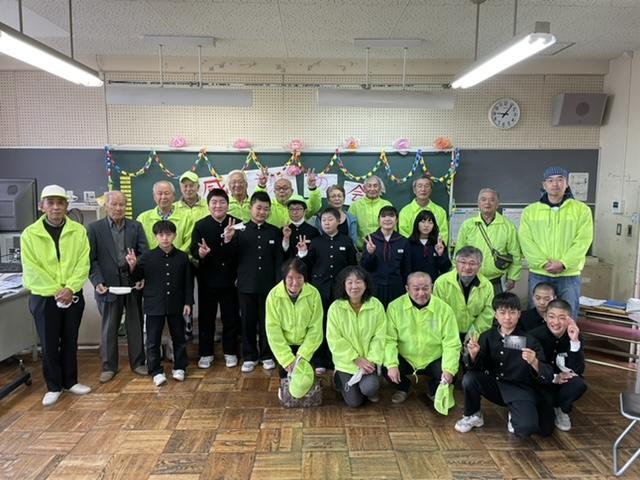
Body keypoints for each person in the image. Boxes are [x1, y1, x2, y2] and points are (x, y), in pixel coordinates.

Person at [21, 185, 91, 406]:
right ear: (41, 206)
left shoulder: (78, 231)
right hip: (44, 298)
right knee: (49, 343)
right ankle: (53, 386)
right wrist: (57, 291)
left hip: (73, 295)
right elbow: (32, 268)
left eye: (60, 203)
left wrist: (70, 288)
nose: (56, 207)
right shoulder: (30, 234)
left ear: (66, 206)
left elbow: (83, 263)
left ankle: (71, 382)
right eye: (50, 203)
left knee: (70, 340)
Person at [454, 292, 554, 438]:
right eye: (502, 313)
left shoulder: (529, 340)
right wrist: (473, 355)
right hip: (495, 386)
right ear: (495, 315)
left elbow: (548, 375)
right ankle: (473, 414)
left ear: (519, 314)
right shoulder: (487, 336)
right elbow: (476, 368)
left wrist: (534, 362)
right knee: (469, 378)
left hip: (520, 390)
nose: (507, 317)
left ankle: (514, 412)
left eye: (512, 313)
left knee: (526, 429)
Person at [87, 190, 148, 383]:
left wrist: (138, 271)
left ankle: (138, 363)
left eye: (122, 204)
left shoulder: (136, 226)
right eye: (114, 204)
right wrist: (97, 281)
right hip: (107, 284)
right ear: (106, 206)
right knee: (109, 326)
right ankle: (108, 367)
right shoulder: (94, 228)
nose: (118, 208)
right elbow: (91, 259)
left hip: (131, 281)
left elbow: (143, 254)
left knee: (135, 324)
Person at [519, 167, 593, 318]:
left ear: (567, 183)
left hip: (569, 274)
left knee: (567, 315)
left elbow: (583, 241)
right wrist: (542, 263)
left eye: (560, 179)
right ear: (544, 185)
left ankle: (567, 336)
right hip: (539, 273)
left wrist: (564, 263)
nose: (555, 184)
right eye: (550, 180)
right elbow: (526, 240)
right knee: (536, 316)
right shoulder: (530, 211)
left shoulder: (581, 210)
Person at [126, 220, 193, 386]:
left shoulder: (182, 257)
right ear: (155, 236)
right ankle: (155, 370)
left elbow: (188, 283)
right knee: (153, 340)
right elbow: (136, 278)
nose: (165, 238)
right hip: (154, 304)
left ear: (174, 236)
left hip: (176, 303)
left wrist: (188, 303)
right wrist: (133, 266)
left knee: (179, 337)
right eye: (161, 235)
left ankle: (180, 367)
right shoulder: (147, 257)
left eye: (168, 234)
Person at [224, 191, 284, 373]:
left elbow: (279, 261)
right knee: (247, 322)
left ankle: (267, 355)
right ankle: (249, 356)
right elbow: (231, 259)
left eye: (266, 209)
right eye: (258, 208)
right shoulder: (239, 230)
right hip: (246, 285)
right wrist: (228, 240)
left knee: (268, 322)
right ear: (251, 208)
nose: (262, 212)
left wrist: (278, 284)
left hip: (269, 286)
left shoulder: (274, 231)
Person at [385, 272, 461, 405]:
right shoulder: (395, 307)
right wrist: (392, 364)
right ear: (407, 288)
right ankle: (404, 387)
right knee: (383, 365)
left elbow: (451, 343)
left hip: (433, 358)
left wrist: (448, 369)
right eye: (416, 289)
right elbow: (388, 340)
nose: (421, 293)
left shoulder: (444, 309)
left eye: (426, 288)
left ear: (432, 287)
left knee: (452, 371)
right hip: (405, 358)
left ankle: (433, 390)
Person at [297, 207, 357, 373]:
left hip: (341, 291)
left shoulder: (346, 241)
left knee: (340, 326)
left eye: (330, 220)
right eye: (324, 220)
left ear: (338, 221)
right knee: (320, 325)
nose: (327, 223)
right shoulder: (315, 242)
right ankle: (319, 360)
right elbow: (306, 266)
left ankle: (338, 359)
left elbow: (352, 266)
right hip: (320, 290)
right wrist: (302, 253)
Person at [190, 188, 240, 369]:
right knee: (206, 318)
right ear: (208, 205)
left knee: (231, 318)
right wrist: (201, 253)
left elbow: (242, 252)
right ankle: (206, 353)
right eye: (214, 202)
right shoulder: (200, 225)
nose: (218, 206)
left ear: (227, 204)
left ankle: (230, 352)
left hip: (231, 281)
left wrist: (228, 241)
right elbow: (193, 250)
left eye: (222, 202)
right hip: (207, 280)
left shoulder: (237, 224)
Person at [326, 266, 386, 407]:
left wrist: (371, 360)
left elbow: (380, 336)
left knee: (370, 388)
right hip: (347, 363)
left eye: (359, 282)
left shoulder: (376, 305)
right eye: (350, 282)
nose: (354, 286)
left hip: (368, 363)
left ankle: (366, 387)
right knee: (354, 402)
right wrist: (355, 358)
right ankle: (339, 378)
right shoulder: (335, 308)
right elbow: (334, 339)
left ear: (366, 284)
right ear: (344, 285)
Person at [266, 258, 323, 402]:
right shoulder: (273, 296)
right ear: (284, 278)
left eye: (299, 278)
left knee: (306, 379)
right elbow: (273, 330)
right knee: (287, 381)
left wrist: (303, 355)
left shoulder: (313, 294)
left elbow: (315, 328)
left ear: (305, 278)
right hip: (285, 345)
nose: (295, 282)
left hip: (306, 345)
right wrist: (287, 359)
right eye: (290, 278)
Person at [529, 299, 587, 432]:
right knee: (544, 429)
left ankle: (562, 408)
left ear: (570, 319)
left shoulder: (575, 335)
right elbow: (531, 369)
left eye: (562, 318)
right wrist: (555, 377)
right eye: (552, 317)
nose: (556, 322)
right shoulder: (534, 336)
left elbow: (578, 369)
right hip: (542, 382)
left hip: (563, 383)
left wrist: (574, 341)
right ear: (545, 317)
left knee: (578, 384)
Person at [454, 188, 521, 293]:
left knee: (495, 304)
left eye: (492, 200)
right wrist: (456, 274)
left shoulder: (508, 226)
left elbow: (515, 254)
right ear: (478, 203)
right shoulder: (468, 225)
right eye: (483, 199)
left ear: (497, 204)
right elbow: (459, 252)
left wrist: (512, 277)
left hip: (496, 280)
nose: (487, 203)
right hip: (470, 278)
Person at [432, 246, 494, 339]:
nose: (467, 267)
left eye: (472, 263)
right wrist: (451, 336)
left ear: (480, 265)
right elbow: (438, 312)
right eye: (463, 262)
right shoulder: (442, 283)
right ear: (455, 263)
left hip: (476, 335)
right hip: (447, 333)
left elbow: (487, 314)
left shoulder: (487, 286)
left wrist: (472, 335)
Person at [361, 206, 411, 307]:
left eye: (391, 216)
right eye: (383, 216)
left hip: (396, 287)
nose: (387, 219)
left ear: (396, 220)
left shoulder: (403, 241)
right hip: (375, 286)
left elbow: (407, 269)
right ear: (379, 220)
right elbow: (365, 267)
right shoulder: (371, 239)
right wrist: (370, 253)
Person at [137, 180, 193, 252]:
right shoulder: (142, 218)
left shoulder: (187, 217)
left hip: (179, 258)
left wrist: (176, 256)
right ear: (154, 196)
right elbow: (140, 245)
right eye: (160, 194)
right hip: (150, 258)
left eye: (166, 193)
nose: (163, 197)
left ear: (174, 196)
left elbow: (189, 242)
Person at [256, 167, 322, 228]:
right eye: (278, 188)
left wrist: (312, 188)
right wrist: (261, 185)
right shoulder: (268, 207)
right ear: (274, 192)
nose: (281, 191)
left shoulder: (301, 204)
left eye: (285, 188)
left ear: (292, 191)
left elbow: (314, 206)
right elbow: (258, 203)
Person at [398, 175, 449, 245]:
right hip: (412, 249)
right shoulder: (405, 212)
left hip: (434, 249)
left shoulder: (440, 212)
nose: (423, 189)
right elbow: (404, 236)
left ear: (431, 190)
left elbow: (443, 235)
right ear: (414, 190)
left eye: (427, 186)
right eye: (419, 186)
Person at [347, 175, 391, 249]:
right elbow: (350, 229)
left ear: (380, 188)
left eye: (375, 186)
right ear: (364, 188)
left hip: (384, 248)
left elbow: (393, 229)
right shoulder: (355, 206)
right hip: (361, 249)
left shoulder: (387, 205)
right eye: (369, 186)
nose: (372, 189)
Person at [407, 209, 451, 282]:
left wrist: (440, 255)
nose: (426, 225)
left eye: (430, 222)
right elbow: (405, 268)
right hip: (414, 284)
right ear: (417, 224)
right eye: (423, 221)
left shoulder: (438, 244)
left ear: (434, 225)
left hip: (433, 284)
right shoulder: (409, 243)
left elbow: (445, 269)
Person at [283, 195, 319, 259]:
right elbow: (280, 253)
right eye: (291, 209)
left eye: (298, 209)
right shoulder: (283, 230)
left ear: (305, 211)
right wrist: (286, 238)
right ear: (288, 211)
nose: (294, 212)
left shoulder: (313, 231)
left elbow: (317, 254)